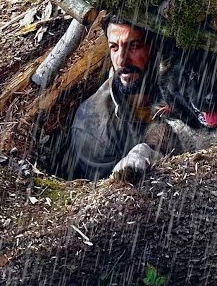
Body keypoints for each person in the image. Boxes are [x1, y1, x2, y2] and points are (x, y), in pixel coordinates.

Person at [68, 16, 159, 180]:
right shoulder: (92, 124)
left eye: (134, 46)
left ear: (154, 47)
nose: (122, 60)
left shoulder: (183, 90)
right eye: (114, 48)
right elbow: (110, 195)